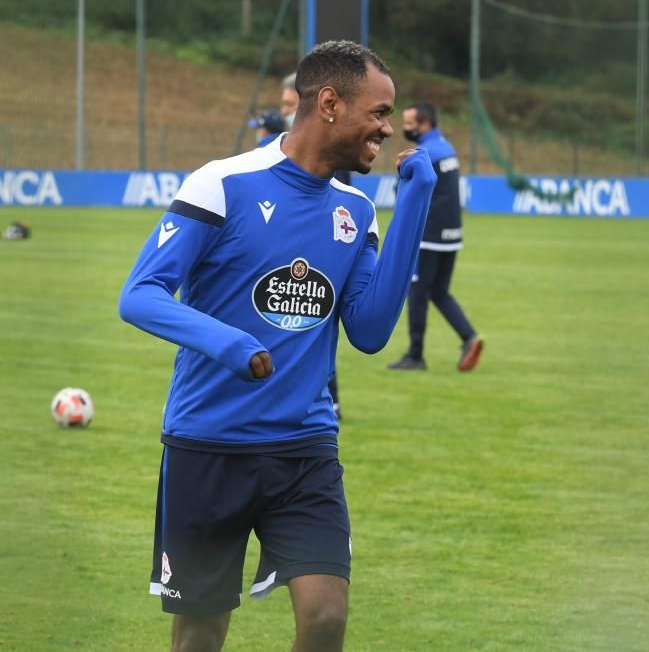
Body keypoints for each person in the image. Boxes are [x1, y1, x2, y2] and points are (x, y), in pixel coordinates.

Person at [119, 40, 436, 652]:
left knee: (325, 618)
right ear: (329, 104)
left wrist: (413, 206)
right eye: (378, 112)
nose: (388, 128)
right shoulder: (224, 184)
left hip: (305, 448)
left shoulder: (356, 211)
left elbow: (369, 332)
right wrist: (230, 343)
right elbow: (140, 294)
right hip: (209, 443)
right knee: (200, 636)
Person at [388, 101, 483, 372]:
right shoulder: (447, 148)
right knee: (439, 292)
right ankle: (469, 337)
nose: (404, 128)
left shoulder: (423, 153)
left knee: (417, 293)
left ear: (424, 124)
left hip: (428, 235)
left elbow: (405, 191)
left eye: (408, 123)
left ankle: (415, 356)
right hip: (452, 234)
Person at [284, 70, 349, 417]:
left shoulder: (348, 195)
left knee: (314, 316)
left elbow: (370, 333)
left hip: (313, 432)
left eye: (288, 103)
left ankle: (329, 397)